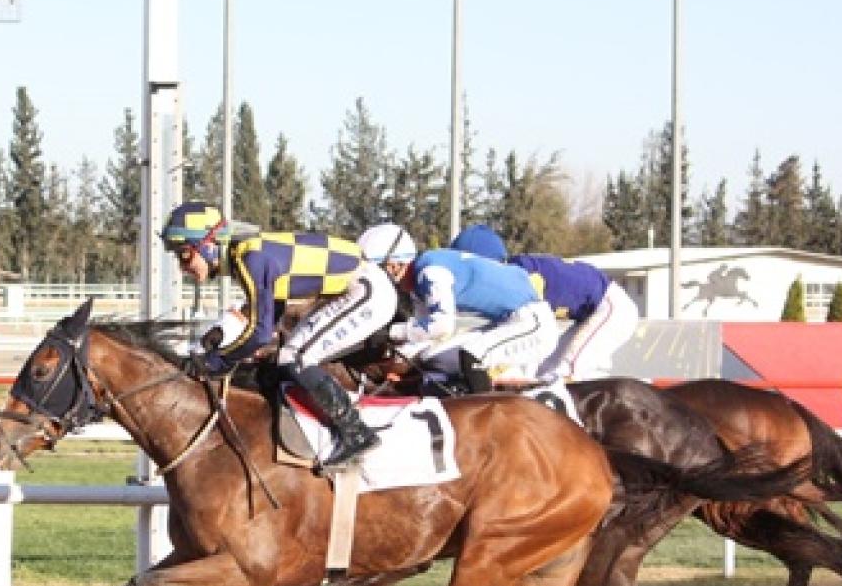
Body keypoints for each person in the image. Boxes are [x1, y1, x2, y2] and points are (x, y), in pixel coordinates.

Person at [161, 201, 395, 470]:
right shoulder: (244, 254)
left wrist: (218, 361)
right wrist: (222, 336)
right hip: (356, 287)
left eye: (184, 254)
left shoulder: (250, 258)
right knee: (287, 356)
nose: (182, 267)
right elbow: (271, 311)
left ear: (208, 244)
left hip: (366, 291)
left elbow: (261, 333)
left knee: (295, 357)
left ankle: (356, 432)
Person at [361, 223, 557, 390]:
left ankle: (485, 415)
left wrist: (391, 332)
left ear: (394, 266)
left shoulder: (430, 272)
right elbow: (424, 338)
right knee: (433, 357)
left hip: (533, 323)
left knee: (471, 354)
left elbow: (441, 326)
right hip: (510, 321)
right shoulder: (418, 284)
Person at [450, 223, 639, 382]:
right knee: (545, 373)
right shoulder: (511, 276)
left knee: (564, 373)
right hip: (591, 311)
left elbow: (529, 332)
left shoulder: (522, 277)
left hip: (612, 308)